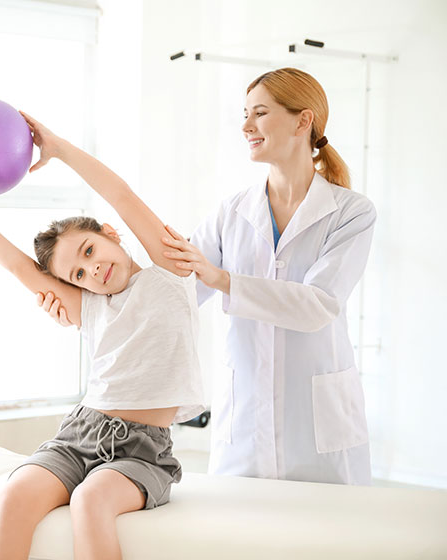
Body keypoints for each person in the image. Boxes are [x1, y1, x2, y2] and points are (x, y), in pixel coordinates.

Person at [38, 67, 376, 486]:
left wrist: (223, 280)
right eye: (245, 114)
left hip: (319, 423)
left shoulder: (351, 213)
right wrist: (85, 309)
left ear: (303, 120)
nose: (246, 126)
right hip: (245, 421)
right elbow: (167, 295)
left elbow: (318, 306)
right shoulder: (231, 213)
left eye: (260, 113)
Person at [0, 112, 205, 560]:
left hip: (141, 450)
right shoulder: (90, 307)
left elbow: (121, 194)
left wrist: (57, 149)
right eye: (79, 273)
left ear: (112, 234)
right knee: (15, 494)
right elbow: (16, 265)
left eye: (90, 250)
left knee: (91, 500)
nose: (92, 268)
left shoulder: (171, 274)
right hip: (79, 436)